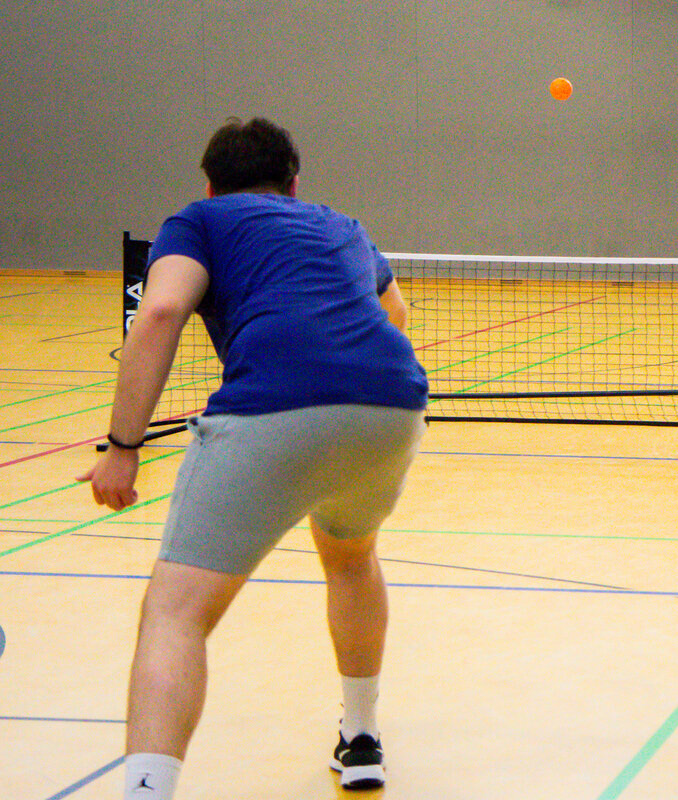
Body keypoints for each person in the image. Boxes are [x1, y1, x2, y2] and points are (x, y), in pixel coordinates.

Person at [76, 117, 428, 799]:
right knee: (352, 557)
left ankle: (145, 792)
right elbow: (397, 316)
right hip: (392, 405)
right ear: (294, 185)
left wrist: (124, 448)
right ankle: (361, 739)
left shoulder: (199, 221)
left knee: (175, 613)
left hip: (273, 404)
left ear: (208, 183)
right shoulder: (341, 226)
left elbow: (159, 312)